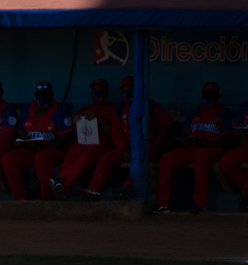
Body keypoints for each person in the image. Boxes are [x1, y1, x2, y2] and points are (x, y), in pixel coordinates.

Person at [80, 75, 174, 200]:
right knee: (106, 158)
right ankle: (94, 189)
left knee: (139, 160)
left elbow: (168, 125)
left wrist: (156, 142)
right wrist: (123, 149)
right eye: (124, 89)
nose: (126, 92)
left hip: (147, 147)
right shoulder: (120, 109)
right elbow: (116, 135)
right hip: (127, 148)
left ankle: (128, 186)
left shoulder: (149, 106)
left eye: (128, 89)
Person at [152, 82, 234, 214]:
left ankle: (201, 204)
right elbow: (185, 133)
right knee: (166, 159)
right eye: (206, 94)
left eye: (211, 94)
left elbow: (228, 139)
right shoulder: (195, 112)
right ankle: (162, 203)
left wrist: (207, 143)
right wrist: (185, 141)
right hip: (193, 147)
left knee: (201, 157)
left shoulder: (224, 113)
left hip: (214, 148)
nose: (208, 97)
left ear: (217, 96)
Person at [1, 81, 74, 200]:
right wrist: (27, 142)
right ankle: (21, 198)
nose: (42, 97)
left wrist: (44, 147)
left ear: (51, 95)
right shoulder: (27, 109)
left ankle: (48, 199)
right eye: (39, 94)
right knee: (8, 159)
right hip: (33, 149)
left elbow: (65, 138)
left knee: (41, 158)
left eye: (45, 95)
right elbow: (20, 134)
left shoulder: (60, 110)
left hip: (54, 150)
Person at [49, 78, 115, 200]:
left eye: (99, 90)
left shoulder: (112, 109)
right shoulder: (85, 109)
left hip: (103, 143)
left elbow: (114, 135)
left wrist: (99, 119)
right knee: (73, 151)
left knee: (87, 156)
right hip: (85, 142)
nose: (96, 93)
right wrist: (75, 124)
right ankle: (63, 190)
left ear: (106, 92)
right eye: (94, 91)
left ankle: (62, 180)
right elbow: (76, 135)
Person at [216, 98, 248, 212]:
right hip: (246, 145)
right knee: (224, 164)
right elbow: (236, 131)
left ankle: (245, 199)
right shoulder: (245, 105)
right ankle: (245, 186)